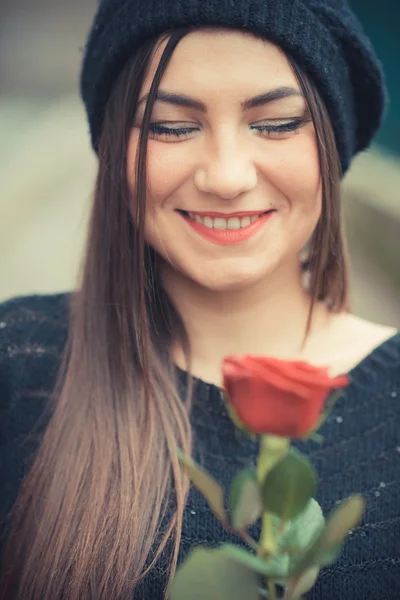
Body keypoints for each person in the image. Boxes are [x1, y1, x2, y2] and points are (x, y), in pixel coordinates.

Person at [0, 0, 399, 598]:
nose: (227, 176)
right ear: (116, 152)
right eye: (171, 126)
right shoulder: (19, 361)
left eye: (276, 123)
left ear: (333, 142)